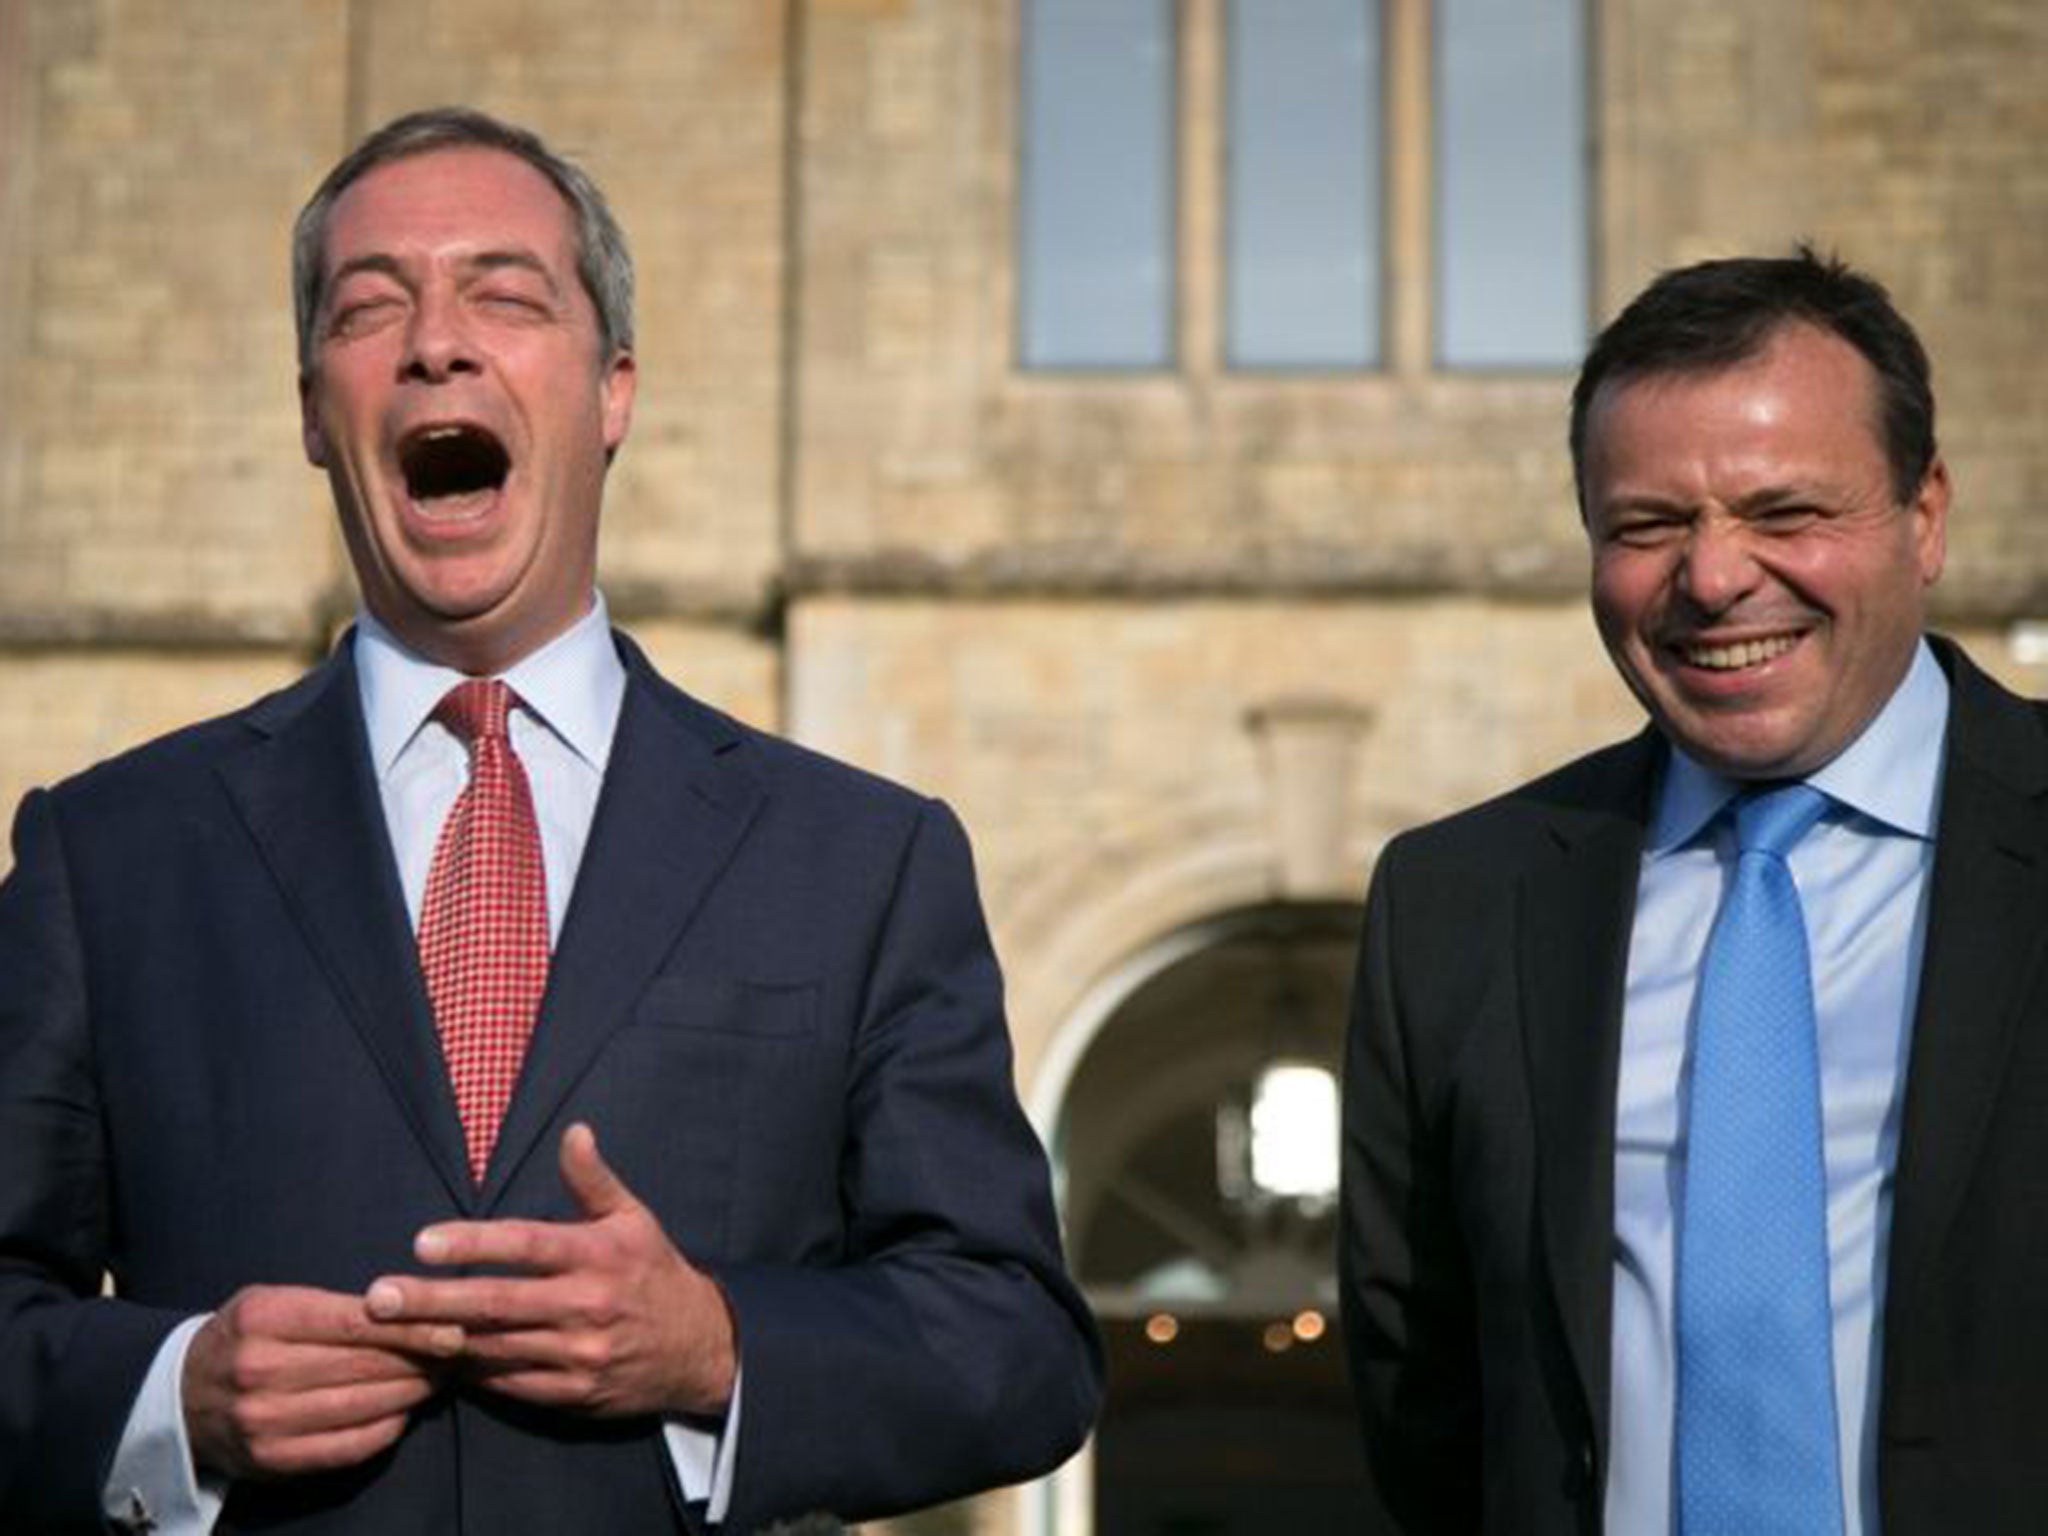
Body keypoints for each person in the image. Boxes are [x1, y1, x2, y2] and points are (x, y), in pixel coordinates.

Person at [0, 107, 1100, 1535]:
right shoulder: (111, 856)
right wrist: (169, 1393)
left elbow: (1018, 1345)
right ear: (311, 413)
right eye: (370, 305)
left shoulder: (861, 861)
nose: (436, 341)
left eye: (504, 294)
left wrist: (719, 1346)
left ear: (613, 390)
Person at [1340, 248, 2048, 1533]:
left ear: (1925, 515)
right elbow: (1423, 1398)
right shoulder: (1451, 905)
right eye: (1647, 527)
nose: (1713, 579)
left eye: (1782, 513)